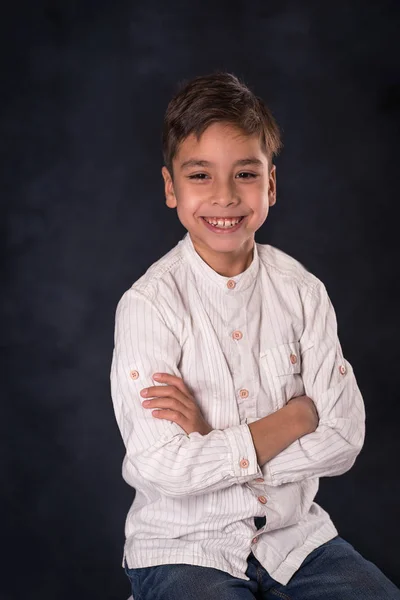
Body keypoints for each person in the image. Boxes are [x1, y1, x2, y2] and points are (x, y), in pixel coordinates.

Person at [110, 72, 400, 599]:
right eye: (200, 175)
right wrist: (291, 420)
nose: (224, 196)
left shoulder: (302, 292)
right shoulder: (149, 305)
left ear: (270, 184)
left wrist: (212, 439)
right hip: (183, 545)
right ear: (171, 188)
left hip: (295, 539)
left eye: (244, 173)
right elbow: (162, 465)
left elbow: (343, 438)